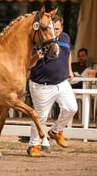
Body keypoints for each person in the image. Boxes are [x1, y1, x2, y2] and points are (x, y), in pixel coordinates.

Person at [27, 14, 78, 157]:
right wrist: (36, 56)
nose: (55, 32)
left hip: (62, 83)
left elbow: (68, 52)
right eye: (52, 28)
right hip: (41, 85)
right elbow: (28, 64)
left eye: (57, 29)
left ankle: (55, 131)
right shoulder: (39, 39)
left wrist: (69, 69)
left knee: (71, 108)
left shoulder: (65, 37)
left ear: (61, 28)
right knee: (40, 117)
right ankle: (34, 145)